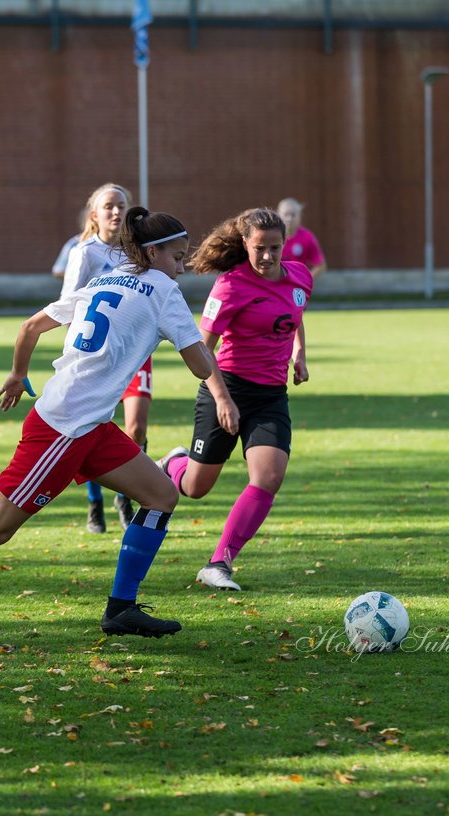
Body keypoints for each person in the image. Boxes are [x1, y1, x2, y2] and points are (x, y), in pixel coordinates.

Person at [0, 207, 216, 654]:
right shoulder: (163, 289)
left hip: (89, 424)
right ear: (151, 252)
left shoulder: (103, 281)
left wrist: (17, 374)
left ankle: (121, 608)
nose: (181, 268)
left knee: (161, 494)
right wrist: (207, 351)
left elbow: (32, 325)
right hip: (64, 428)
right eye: (177, 257)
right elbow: (200, 364)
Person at [157, 207, 311, 591]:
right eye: (259, 248)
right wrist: (224, 400)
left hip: (271, 396)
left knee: (269, 477)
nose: (267, 257)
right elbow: (201, 349)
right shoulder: (229, 286)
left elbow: (295, 312)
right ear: (245, 244)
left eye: (275, 248)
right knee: (195, 488)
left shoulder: (301, 277)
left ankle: (218, 563)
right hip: (225, 387)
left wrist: (299, 353)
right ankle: (174, 462)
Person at [62, 183, 152, 533]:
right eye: (109, 206)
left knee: (137, 425)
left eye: (122, 206)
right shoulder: (84, 253)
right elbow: (68, 305)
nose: (116, 212)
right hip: (97, 359)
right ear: (95, 214)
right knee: (94, 426)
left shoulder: (138, 253)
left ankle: (125, 495)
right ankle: (95, 503)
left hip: (134, 355)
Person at [276, 198, 327, 278]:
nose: (289, 219)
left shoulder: (307, 237)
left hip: (296, 286)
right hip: (274, 284)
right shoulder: (271, 236)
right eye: (286, 215)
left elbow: (320, 265)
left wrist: (304, 281)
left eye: (293, 215)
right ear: (278, 214)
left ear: (300, 216)